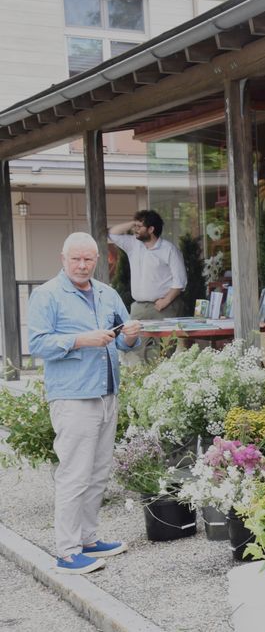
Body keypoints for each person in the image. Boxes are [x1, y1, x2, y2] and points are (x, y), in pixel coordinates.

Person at [28, 232, 142, 575]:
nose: (82, 265)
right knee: (74, 474)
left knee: (98, 472)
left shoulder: (107, 294)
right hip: (73, 396)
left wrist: (131, 337)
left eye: (88, 259)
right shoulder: (47, 294)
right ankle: (66, 552)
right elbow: (37, 344)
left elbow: (124, 342)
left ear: (98, 261)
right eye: (76, 259)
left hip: (107, 392)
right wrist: (81, 340)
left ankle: (89, 539)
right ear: (64, 259)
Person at [108, 209, 187, 321]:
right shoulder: (133, 244)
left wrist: (166, 301)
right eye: (135, 226)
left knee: (167, 339)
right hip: (138, 308)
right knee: (133, 338)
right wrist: (133, 223)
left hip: (163, 307)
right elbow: (112, 234)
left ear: (151, 229)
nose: (135, 229)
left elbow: (180, 280)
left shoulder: (169, 249)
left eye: (139, 227)